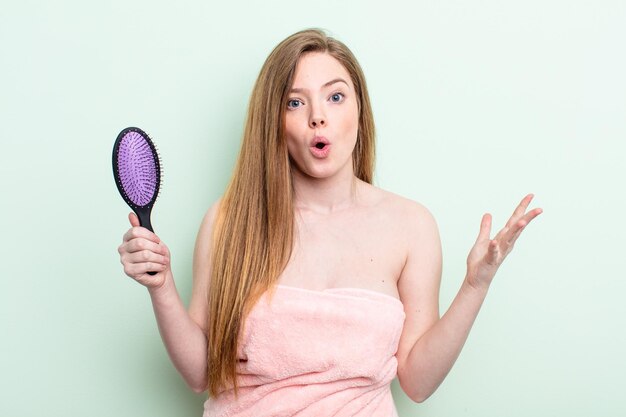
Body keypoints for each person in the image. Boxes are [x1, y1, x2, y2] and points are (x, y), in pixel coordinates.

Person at [117, 29, 542, 417]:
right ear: (275, 124)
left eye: (335, 97)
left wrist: (475, 285)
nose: (317, 116)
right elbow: (200, 375)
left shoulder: (411, 225)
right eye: (295, 102)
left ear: (359, 110)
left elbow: (417, 381)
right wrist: (162, 286)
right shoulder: (229, 221)